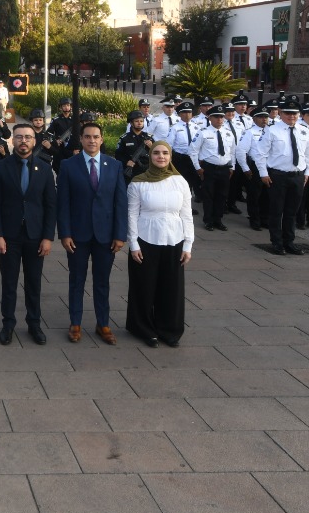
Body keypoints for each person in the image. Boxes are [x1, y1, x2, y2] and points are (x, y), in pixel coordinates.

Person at [57, 122, 129, 344]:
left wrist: (120, 235)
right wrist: (65, 233)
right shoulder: (68, 165)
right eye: (87, 136)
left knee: (102, 281)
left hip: (106, 235)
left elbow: (120, 202)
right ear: (81, 138)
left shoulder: (114, 165)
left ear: (102, 139)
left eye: (96, 137)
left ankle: (103, 324)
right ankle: (75, 323)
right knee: (76, 280)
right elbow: (63, 203)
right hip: (78, 235)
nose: (92, 140)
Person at [0, 123, 57, 346]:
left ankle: (34, 324)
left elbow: (50, 206)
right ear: (12, 140)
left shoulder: (45, 169)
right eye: (19, 137)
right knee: (9, 283)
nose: (23, 141)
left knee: (34, 282)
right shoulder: (1, 167)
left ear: (34, 141)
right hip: (9, 236)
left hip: (35, 236)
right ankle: (8, 324)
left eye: (27, 137)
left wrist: (48, 237)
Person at [124, 141, 194, 348]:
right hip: (146, 240)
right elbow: (131, 214)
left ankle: (169, 329)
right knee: (144, 287)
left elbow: (187, 215)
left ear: (170, 156)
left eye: (165, 153)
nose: (161, 157)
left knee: (171, 288)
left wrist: (188, 245)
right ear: (150, 156)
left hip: (174, 240)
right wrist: (133, 244)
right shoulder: (138, 182)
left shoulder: (180, 181)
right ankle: (144, 328)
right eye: (156, 153)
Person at [251, 99, 309, 255]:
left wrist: (307, 172)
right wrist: (263, 173)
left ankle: (289, 241)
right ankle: (277, 243)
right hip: (278, 176)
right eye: (287, 113)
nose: (291, 117)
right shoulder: (271, 130)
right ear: (280, 113)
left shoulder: (304, 130)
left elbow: (308, 154)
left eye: (294, 114)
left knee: (292, 211)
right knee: (277, 210)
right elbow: (260, 153)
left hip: (297, 176)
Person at [188, 107, 235, 231]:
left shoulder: (228, 133)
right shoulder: (203, 132)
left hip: (225, 168)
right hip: (209, 168)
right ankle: (208, 220)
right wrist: (198, 168)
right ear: (210, 118)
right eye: (216, 117)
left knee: (222, 195)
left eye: (221, 117)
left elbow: (233, 152)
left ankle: (218, 220)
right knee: (208, 196)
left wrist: (232, 167)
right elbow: (193, 151)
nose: (219, 119)